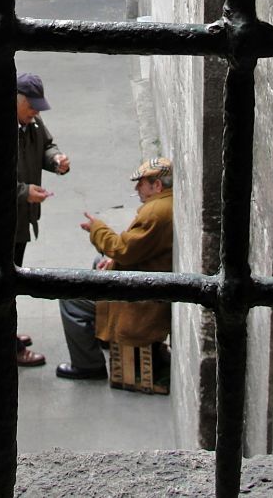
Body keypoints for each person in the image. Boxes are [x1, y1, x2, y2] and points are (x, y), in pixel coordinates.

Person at [0, 72, 71, 367]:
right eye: (32, 105)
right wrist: (23, 193)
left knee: (4, 275)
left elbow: (46, 144)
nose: (36, 111)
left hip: (16, 217)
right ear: (15, 101)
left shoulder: (29, 121)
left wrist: (56, 160)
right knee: (1, 278)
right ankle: (3, 342)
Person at [56, 156, 173, 381]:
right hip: (147, 278)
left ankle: (88, 364)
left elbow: (122, 250)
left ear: (157, 186)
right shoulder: (163, 205)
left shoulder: (155, 212)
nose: (137, 188)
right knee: (98, 264)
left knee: (70, 297)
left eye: (141, 183)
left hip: (142, 296)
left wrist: (97, 229)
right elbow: (131, 251)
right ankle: (103, 336)